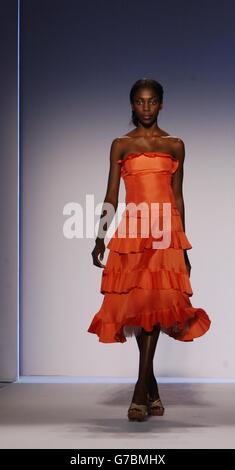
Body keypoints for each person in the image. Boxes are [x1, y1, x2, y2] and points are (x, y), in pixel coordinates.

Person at [87, 77, 211, 421]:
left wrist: (182, 245)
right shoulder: (120, 145)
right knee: (141, 305)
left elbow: (178, 196)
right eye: (140, 102)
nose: (146, 108)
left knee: (155, 304)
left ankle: (140, 391)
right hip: (134, 230)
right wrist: (100, 236)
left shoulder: (175, 145)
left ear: (161, 104)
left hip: (165, 232)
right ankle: (151, 388)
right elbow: (112, 195)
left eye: (152, 101)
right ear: (131, 104)